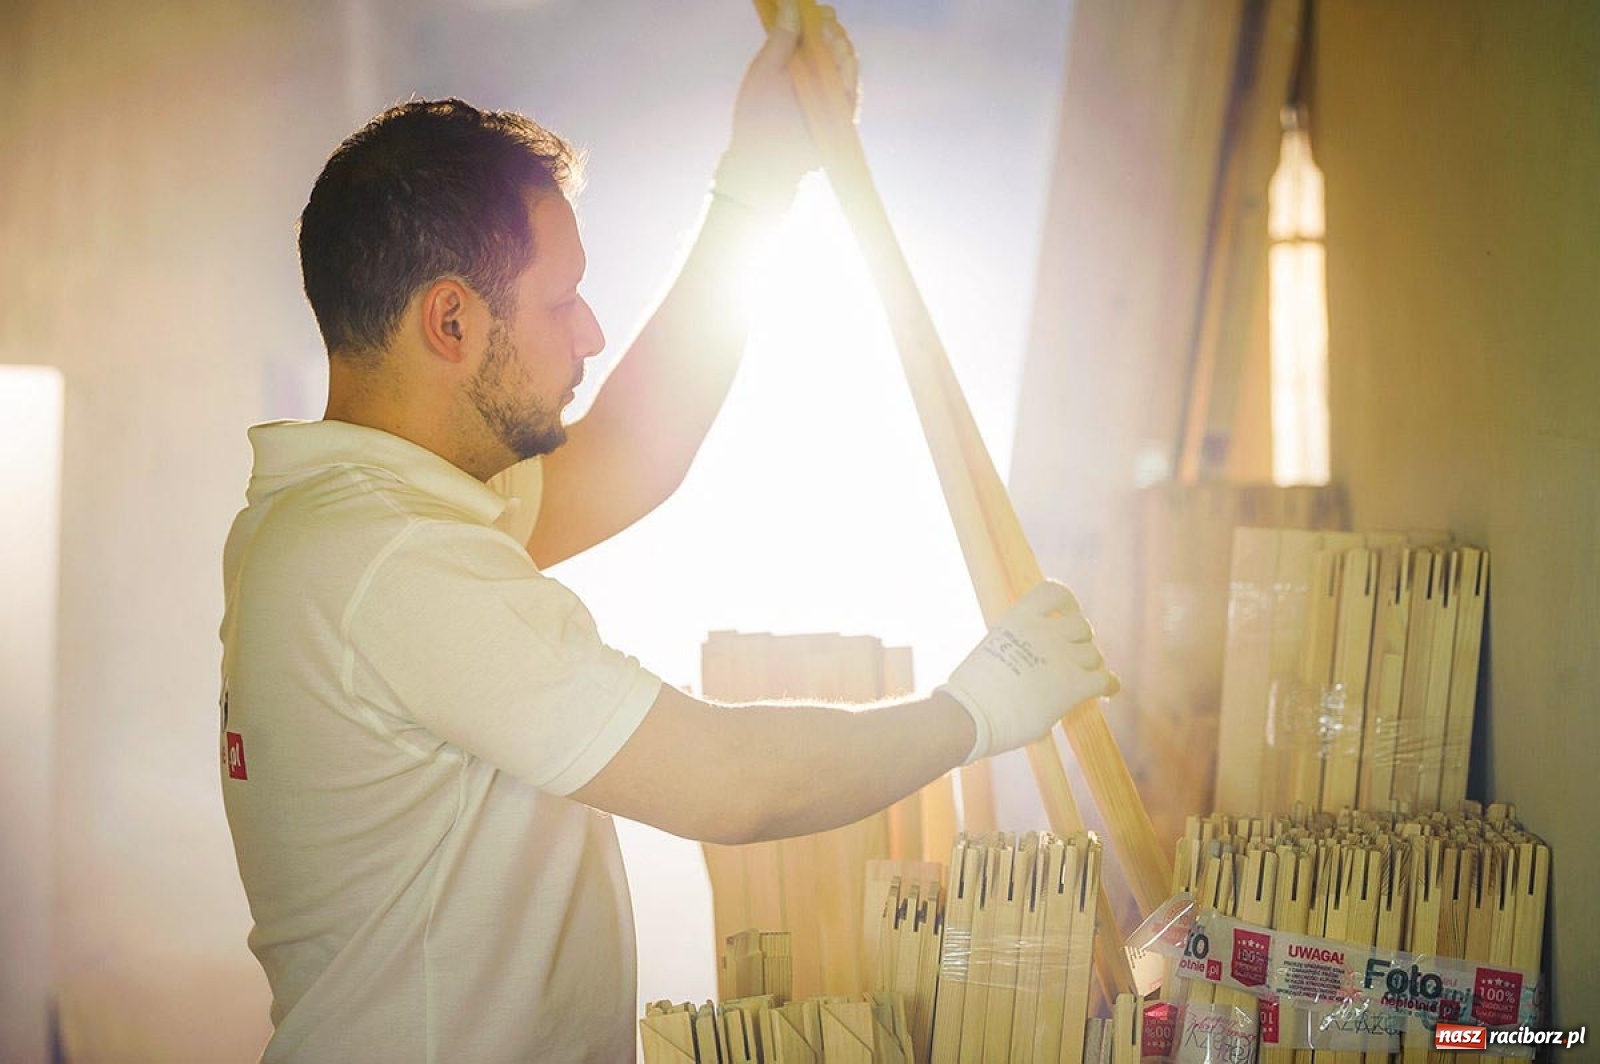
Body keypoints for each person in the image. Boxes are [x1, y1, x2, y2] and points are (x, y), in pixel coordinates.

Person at [218, 3, 1115, 1060]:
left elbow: (632, 451)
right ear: (450, 321)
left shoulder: (352, 515)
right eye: (561, 301)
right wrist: (972, 711)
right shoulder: (398, 561)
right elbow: (730, 781)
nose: (589, 331)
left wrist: (754, 185)